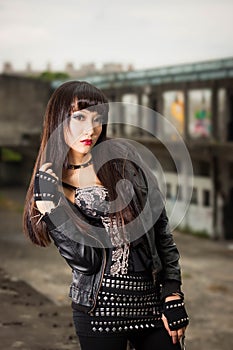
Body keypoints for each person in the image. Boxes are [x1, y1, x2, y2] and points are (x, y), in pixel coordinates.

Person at [23, 81, 189, 350]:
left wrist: (172, 292)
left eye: (98, 119)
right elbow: (86, 261)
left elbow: (160, 230)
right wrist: (52, 210)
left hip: (151, 303)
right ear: (57, 119)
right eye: (79, 117)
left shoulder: (125, 159)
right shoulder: (49, 186)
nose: (91, 129)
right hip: (98, 312)